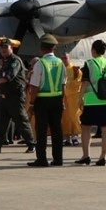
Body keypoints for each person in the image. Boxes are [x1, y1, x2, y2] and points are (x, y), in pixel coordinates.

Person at [0, 38, 35, 154]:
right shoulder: (4, 61)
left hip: (14, 96)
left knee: (20, 120)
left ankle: (31, 143)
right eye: (2, 47)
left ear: (11, 48)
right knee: (1, 122)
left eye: (6, 47)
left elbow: (9, 76)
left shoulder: (15, 61)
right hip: (4, 96)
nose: (3, 49)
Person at [75, 39, 106, 166]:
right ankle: (103, 156)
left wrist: (80, 98)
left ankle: (86, 155)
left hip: (92, 101)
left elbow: (85, 83)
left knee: (86, 128)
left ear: (93, 50)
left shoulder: (89, 64)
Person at [26, 34, 66, 167]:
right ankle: (58, 159)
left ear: (42, 48)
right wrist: (62, 100)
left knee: (41, 130)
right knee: (57, 130)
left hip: (42, 100)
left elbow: (35, 86)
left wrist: (31, 103)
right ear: (54, 48)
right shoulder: (61, 63)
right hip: (57, 100)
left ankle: (42, 159)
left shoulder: (40, 64)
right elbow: (63, 84)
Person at [61, 55, 83, 146]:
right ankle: (66, 138)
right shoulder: (60, 69)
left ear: (69, 59)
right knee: (64, 118)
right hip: (63, 96)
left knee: (74, 116)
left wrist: (66, 84)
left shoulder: (75, 69)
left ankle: (74, 137)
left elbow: (78, 81)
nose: (64, 60)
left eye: (65, 58)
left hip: (73, 96)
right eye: (62, 58)